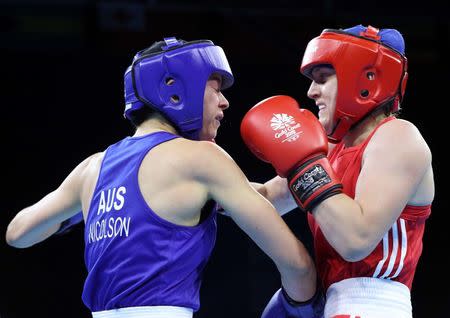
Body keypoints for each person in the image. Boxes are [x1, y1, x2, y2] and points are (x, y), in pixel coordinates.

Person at [5, 37, 319, 318]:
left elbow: (18, 233)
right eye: (215, 88)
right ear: (175, 88)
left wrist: (81, 211)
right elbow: (297, 264)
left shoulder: (93, 168)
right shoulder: (202, 159)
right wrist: (300, 307)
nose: (225, 101)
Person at [241, 25, 434, 318]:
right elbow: (266, 198)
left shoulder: (398, 137)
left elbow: (355, 239)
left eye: (322, 79)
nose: (311, 91)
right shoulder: (331, 151)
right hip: (332, 305)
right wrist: (211, 185)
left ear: (367, 78)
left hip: (375, 305)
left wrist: (304, 165)